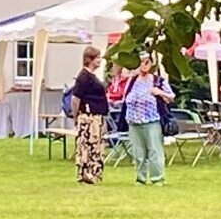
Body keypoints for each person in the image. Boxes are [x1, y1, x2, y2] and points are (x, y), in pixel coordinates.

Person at [122, 50, 173, 186]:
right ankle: (140, 178)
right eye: (140, 62)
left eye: (146, 62)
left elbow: (171, 97)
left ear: (151, 64)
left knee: (154, 150)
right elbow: (125, 98)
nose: (143, 65)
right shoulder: (131, 81)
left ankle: (157, 178)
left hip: (152, 121)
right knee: (138, 152)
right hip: (134, 121)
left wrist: (159, 92)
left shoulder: (157, 81)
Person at [70, 46, 112, 185]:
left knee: (95, 146)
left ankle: (93, 173)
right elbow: (75, 99)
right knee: (88, 145)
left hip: (97, 117)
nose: (100, 60)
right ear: (90, 59)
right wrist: (76, 117)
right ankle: (87, 173)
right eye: (98, 58)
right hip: (89, 117)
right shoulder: (84, 77)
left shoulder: (92, 77)